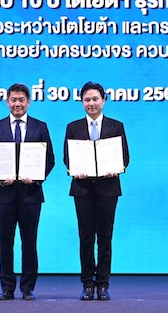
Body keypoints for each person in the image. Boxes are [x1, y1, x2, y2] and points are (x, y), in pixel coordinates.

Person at [0, 83, 55, 301]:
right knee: (5, 242)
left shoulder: (40, 127)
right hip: (4, 195)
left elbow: (49, 159)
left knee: (29, 242)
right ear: (7, 102)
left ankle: (27, 288)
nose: (17, 104)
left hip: (31, 194)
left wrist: (36, 177)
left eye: (21, 100)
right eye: (13, 100)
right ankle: (7, 287)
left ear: (28, 102)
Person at [63, 81, 130, 301]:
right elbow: (67, 157)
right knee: (85, 238)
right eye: (87, 100)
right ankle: (87, 284)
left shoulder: (116, 126)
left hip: (108, 189)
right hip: (83, 189)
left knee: (105, 238)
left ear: (103, 100)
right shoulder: (73, 127)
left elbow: (125, 156)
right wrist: (75, 170)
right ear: (82, 102)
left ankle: (102, 284)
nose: (91, 103)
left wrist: (117, 168)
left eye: (95, 99)